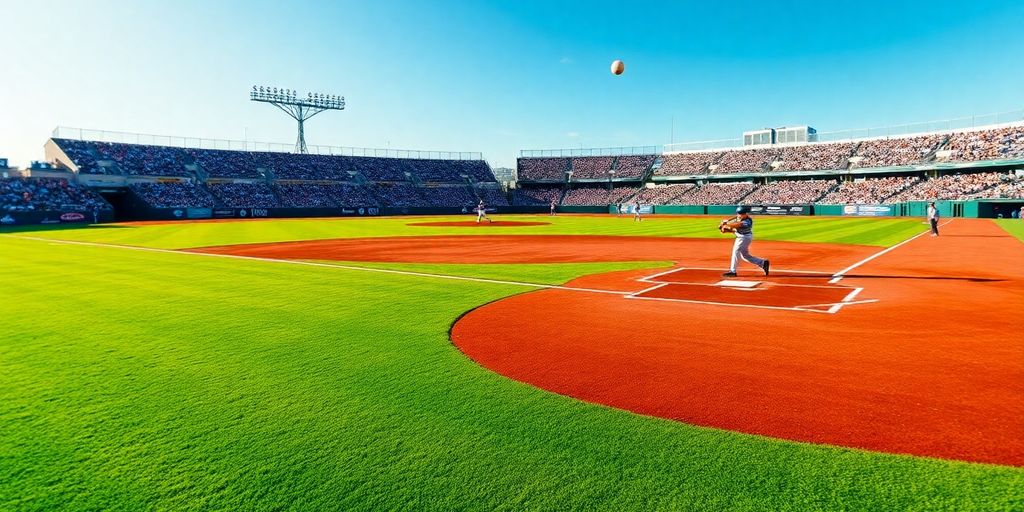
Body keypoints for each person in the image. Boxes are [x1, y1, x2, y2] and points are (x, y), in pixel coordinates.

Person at [720, 206, 770, 278]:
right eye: (738, 213)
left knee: (736, 251)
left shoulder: (748, 221)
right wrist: (725, 229)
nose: (739, 215)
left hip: (744, 238)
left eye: (741, 214)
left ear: (746, 214)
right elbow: (734, 230)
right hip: (742, 236)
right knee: (745, 256)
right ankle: (762, 263)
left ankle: (733, 271)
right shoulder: (738, 218)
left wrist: (725, 224)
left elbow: (737, 225)